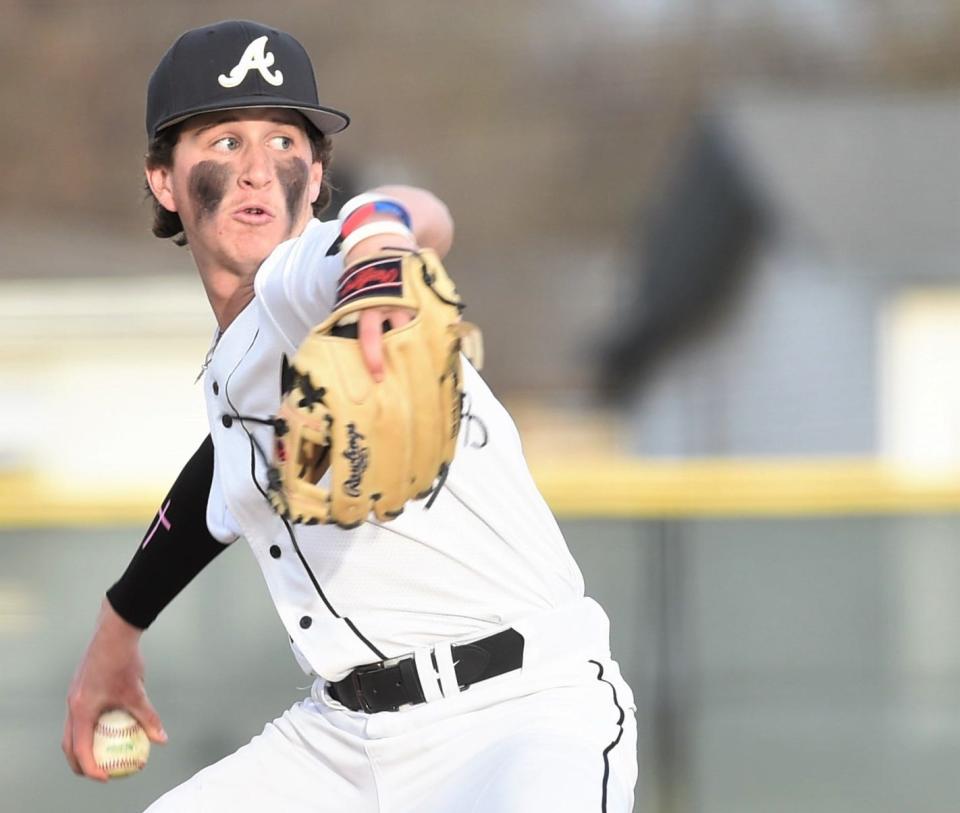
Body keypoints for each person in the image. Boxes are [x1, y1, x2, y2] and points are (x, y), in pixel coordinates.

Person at [62, 19, 638, 812]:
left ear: (318, 173)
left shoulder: (311, 276)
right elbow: (214, 489)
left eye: (284, 142)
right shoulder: (236, 372)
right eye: (224, 141)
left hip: (522, 717)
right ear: (164, 179)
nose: (259, 169)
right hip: (342, 741)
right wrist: (116, 631)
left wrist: (373, 252)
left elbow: (415, 211)